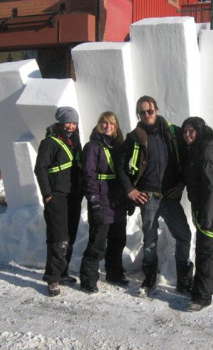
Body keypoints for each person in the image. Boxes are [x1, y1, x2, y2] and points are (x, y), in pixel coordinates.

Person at [115, 95, 193, 296]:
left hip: (170, 195)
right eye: (142, 112)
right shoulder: (134, 137)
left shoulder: (173, 133)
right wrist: (129, 190)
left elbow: (188, 159)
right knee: (150, 240)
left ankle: (184, 280)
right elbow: (119, 166)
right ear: (138, 114)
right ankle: (149, 279)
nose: (147, 114)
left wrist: (181, 183)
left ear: (156, 110)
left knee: (184, 235)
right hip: (147, 197)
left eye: (150, 110)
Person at [181, 117, 213, 311]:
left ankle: (201, 297)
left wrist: (206, 216)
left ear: (200, 132)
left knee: (206, 251)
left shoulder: (207, 152)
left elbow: (212, 188)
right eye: (185, 131)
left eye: (191, 131)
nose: (187, 135)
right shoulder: (199, 149)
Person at [34, 106, 83, 297]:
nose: (71, 126)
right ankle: (52, 277)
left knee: (69, 235)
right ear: (61, 123)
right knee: (58, 238)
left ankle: (62, 272)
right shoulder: (50, 142)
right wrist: (47, 194)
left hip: (73, 196)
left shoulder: (74, 141)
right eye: (68, 122)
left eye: (74, 122)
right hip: (57, 197)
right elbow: (40, 169)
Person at [79, 111, 129, 293]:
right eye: (104, 122)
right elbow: (88, 176)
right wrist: (94, 201)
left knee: (118, 240)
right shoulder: (92, 146)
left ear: (116, 128)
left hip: (117, 201)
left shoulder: (119, 147)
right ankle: (88, 279)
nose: (107, 126)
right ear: (98, 124)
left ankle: (114, 273)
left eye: (111, 124)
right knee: (97, 241)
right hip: (101, 199)